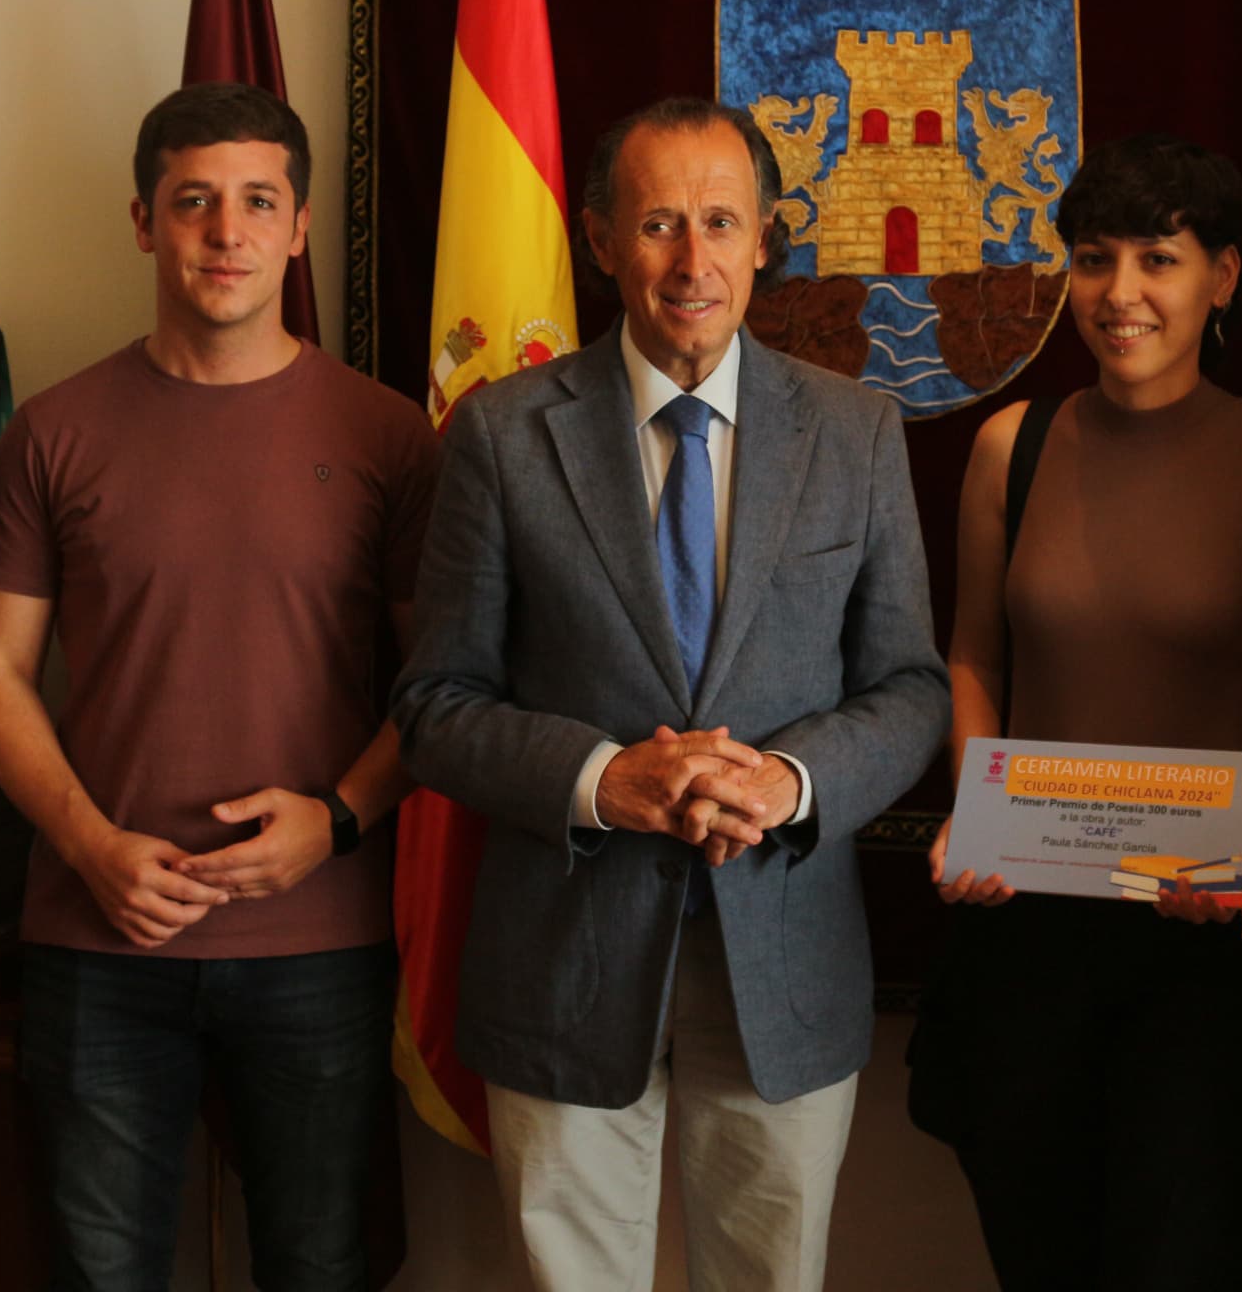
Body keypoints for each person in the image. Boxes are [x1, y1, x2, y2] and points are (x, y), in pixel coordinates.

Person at [391, 96, 950, 1292]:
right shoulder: (501, 435)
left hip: (783, 958)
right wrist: (604, 781)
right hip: (564, 959)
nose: (693, 261)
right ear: (601, 241)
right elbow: (436, 704)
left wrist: (789, 782)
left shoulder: (855, 432)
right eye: (658, 225)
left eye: (720, 222)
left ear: (764, 239)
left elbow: (910, 687)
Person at [0, 82, 439, 1292]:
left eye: (258, 201)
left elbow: (444, 683)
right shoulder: (52, 432)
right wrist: (90, 847)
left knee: (320, 1266)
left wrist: (337, 820)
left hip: (320, 938)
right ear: (143, 222)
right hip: (97, 935)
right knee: (97, 1274)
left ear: (300, 225)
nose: (227, 232)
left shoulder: (389, 436)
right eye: (193, 202)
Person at [906, 133, 1242, 1289]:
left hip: (1197, 944)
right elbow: (973, 658)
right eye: (1095, 259)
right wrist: (981, 810)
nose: (1120, 293)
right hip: (1023, 930)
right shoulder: (1012, 446)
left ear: (1223, 277)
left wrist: (1220, 817)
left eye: (1159, 259)